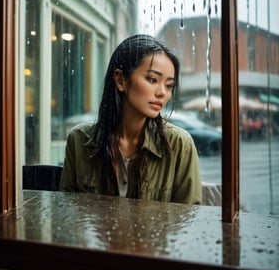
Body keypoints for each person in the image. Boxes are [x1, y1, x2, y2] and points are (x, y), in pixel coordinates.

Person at [59, 34, 202, 204]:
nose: (162, 92)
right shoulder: (79, 140)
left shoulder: (179, 145)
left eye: (169, 85)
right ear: (120, 79)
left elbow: (188, 222)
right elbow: (67, 211)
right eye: (152, 79)